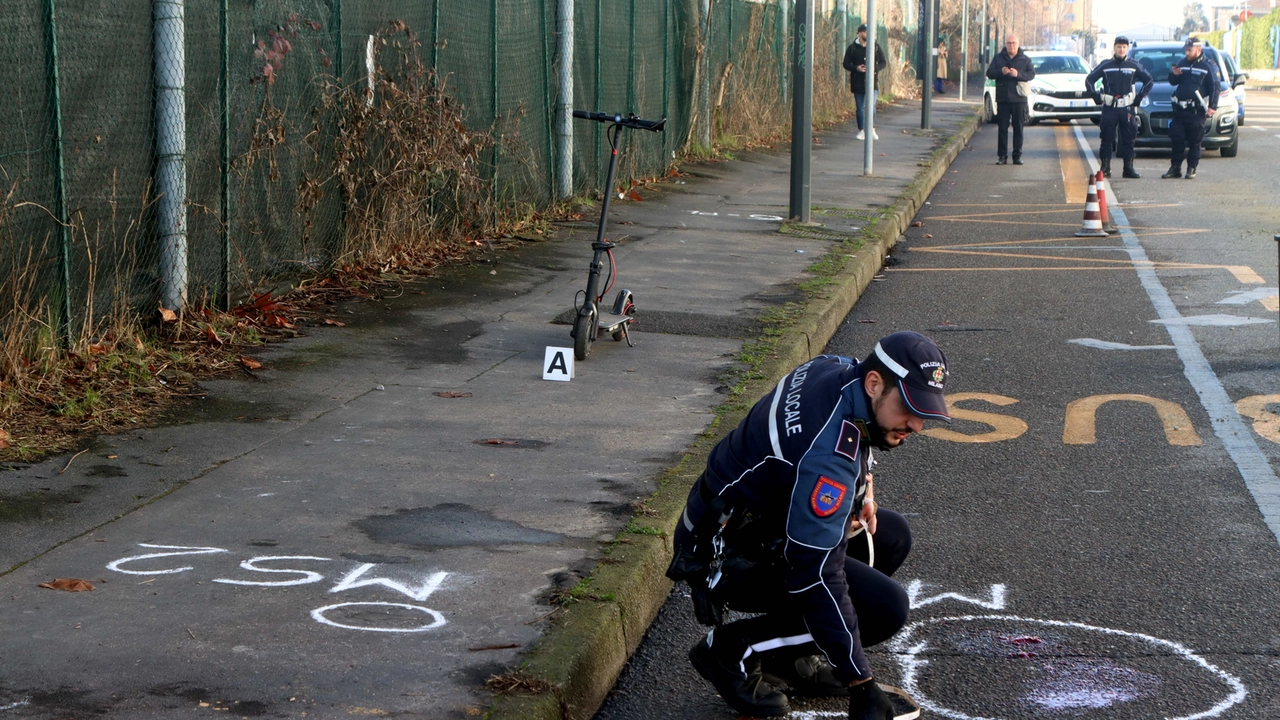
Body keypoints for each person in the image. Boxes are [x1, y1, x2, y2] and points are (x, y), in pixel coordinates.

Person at [667, 331, 951, 719]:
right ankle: (733, 650)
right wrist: (861, 685)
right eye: (909, 407)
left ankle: (792, 658)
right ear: (874, 384)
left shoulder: (835, 368)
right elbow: (816, 574)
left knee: (890, 536)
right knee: (885, 609)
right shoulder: (828, 458)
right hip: (723, 557)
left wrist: (864, 491)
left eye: (924, 411)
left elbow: (850, 442)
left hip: (737, 523)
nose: (916, 425)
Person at [1085, 36, 1152, 179]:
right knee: (1107, 137)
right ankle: (1105, 168)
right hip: (1110, 107)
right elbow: (1089, 80)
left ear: (1127, 48)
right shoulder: (1106, 65)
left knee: (1129, 138)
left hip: (1127, 108)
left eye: (1124, 47)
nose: (1121, 50)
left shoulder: (1134, 65)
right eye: (1118, 47)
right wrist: (1095, 95)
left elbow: (1149, 81)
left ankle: (1128, 168)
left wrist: (1140, 97)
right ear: (1114, 48)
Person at [1162, 37, 1219, 180]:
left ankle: (1191, 168)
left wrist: (1213, 106)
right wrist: (1173, 75)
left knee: (1195, 140)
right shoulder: (1182, 63)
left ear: (1198, 49)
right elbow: (1173, 82)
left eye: (1190, 50)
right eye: (1186, 50)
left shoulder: (1208, 65)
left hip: (1196, 110)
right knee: (1177, 139)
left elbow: (1215, 86)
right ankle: (1175, 168)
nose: (1187, 53)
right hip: (1180, 110)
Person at [984, 35, 1035, 165]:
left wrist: (1018, 75)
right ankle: (1002, 156)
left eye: (1014, 43)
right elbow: (989, 73)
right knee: (1002, 129)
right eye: (1009, 43)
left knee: (1018, 128)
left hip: (1019, 99)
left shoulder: (1025, 59)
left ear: (1018, 44)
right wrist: (1001, 71)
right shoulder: (998, 58)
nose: (1011, 45)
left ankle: (1017, 156)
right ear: (1005, 44)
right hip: (1003, 99)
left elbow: (1031, 74)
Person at [843, 24, 887, 141]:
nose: (867, 34)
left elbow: (883, 62)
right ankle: (862, 130)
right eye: (865, 32)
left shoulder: (875, 47)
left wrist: (874, 68)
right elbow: (846, 64)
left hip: (872, 82)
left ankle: (871, 129)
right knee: (860, 107)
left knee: (871, 106)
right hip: (857, 82)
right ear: (860, 33)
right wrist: (856, 68)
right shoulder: (852, 48)